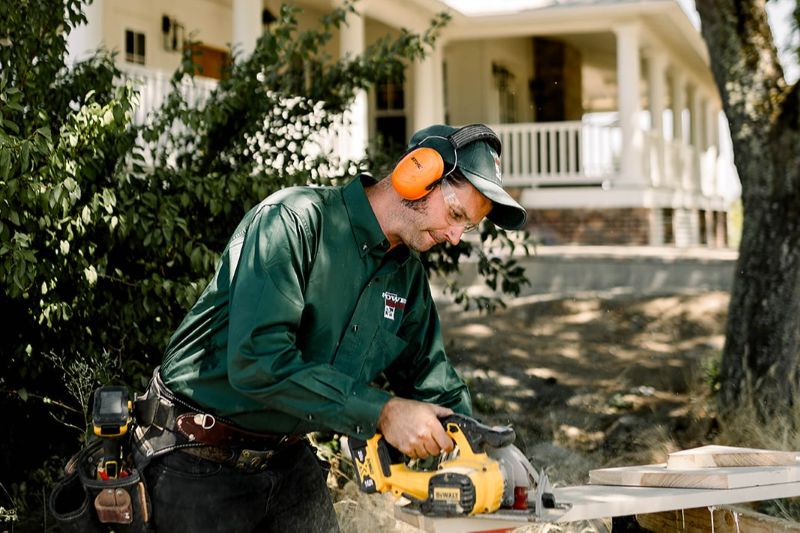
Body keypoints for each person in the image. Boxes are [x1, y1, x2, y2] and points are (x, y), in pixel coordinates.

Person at [131, 123, 527, 532]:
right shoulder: (293, 223)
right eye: (457, 214)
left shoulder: (405, 278)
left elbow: (434, 383)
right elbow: (257, 362)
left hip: (287, 460)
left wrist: (485, 456)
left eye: (468, 226)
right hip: (196, 455)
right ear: (417, 173)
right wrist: (383, 412)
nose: (456, 237)